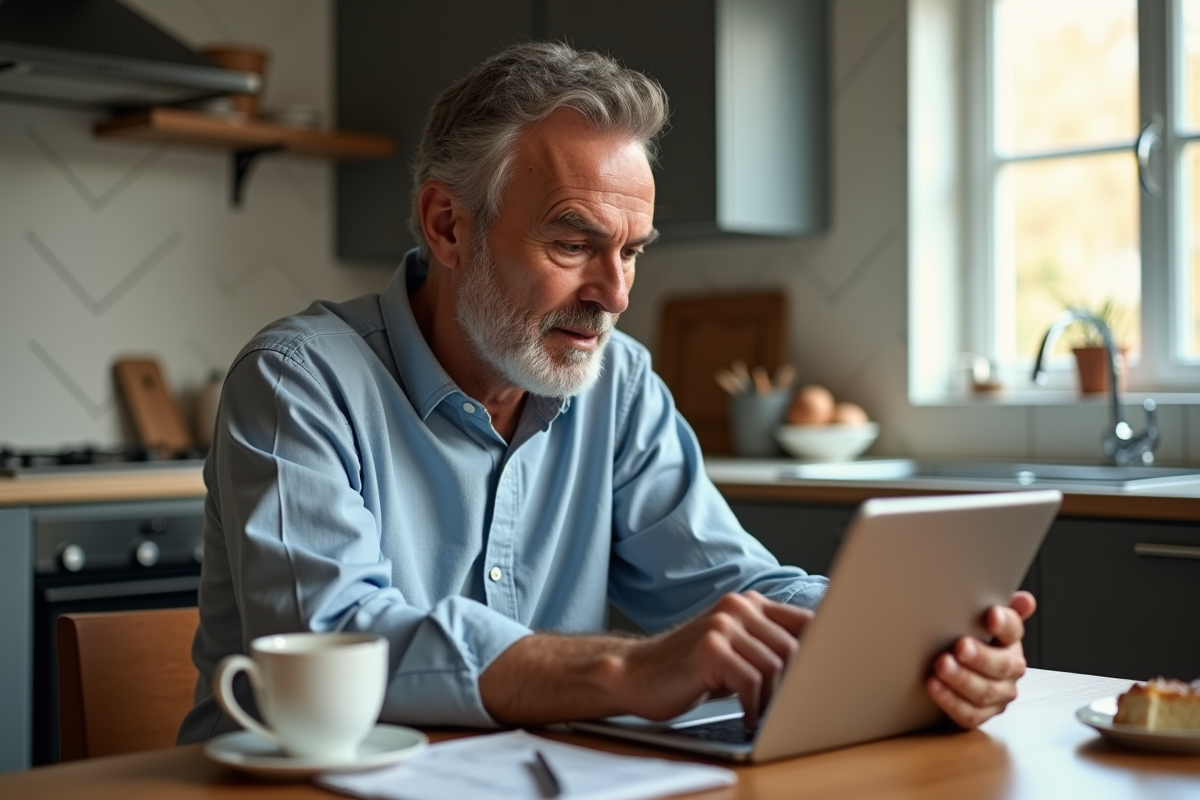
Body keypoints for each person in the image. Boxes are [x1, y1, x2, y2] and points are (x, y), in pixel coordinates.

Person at [178, 41, 1032, 744]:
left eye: (632, 251)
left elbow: (729, 584)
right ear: (448, 226)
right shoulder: (298, 380)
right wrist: (624, 669)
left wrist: (908, 642)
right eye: (573, 243)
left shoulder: (617, 382)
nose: (615, 294)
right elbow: (336, 641)